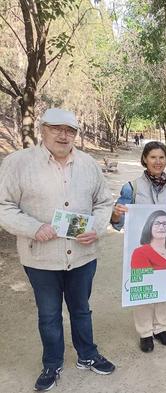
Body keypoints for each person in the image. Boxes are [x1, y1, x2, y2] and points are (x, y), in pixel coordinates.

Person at [0, 108, 115, 391]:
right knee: (49, 314)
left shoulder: (88, 164)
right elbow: (4, 206)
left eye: (70, 130)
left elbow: (103, 202)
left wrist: (97, 227)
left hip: (83, 256)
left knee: (81, 309)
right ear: (42, 129)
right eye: (57, 128)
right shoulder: (18, 163)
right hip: (41, 258)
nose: (64, 135)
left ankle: (87, 355)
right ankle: (52, 363)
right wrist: (33, 228)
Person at [111, 141, 166, 353]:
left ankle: (160, 329)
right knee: (144, 290)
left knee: (163, 290)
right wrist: (116, 214)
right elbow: (118, 222)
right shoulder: (131, 187)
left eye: (161, 157)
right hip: (140, 249)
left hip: (164, 247)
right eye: (153, 157)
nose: (157, 162)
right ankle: (145, 333)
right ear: (145, 160)